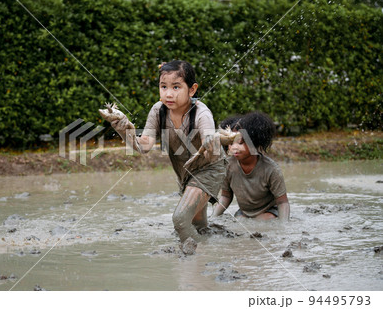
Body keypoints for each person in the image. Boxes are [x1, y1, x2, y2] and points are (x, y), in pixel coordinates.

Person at [103, 60, 227, 254]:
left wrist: (211, 141)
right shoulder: (158, 111)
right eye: (164, 86)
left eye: (176, 87)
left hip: (209, 169)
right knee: (199, 225)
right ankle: (215, 252)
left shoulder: (201, 113)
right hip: (185, 173)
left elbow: (209, 138)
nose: (168, 94)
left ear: (192, 90)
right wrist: (122, 126)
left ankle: (196, 256)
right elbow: (144, 145)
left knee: (180, 219)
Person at [211, 111, 290, 221]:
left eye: (241, 142)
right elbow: (226, 196)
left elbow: (282, 202)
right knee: (239, 221)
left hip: (269, 212)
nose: (234, 148)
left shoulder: (271, 169)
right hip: (244, 213)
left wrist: (284, 226)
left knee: (261, 221)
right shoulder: (228, 166)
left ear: (254, 142)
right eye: (231, 143)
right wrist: (212, 218)